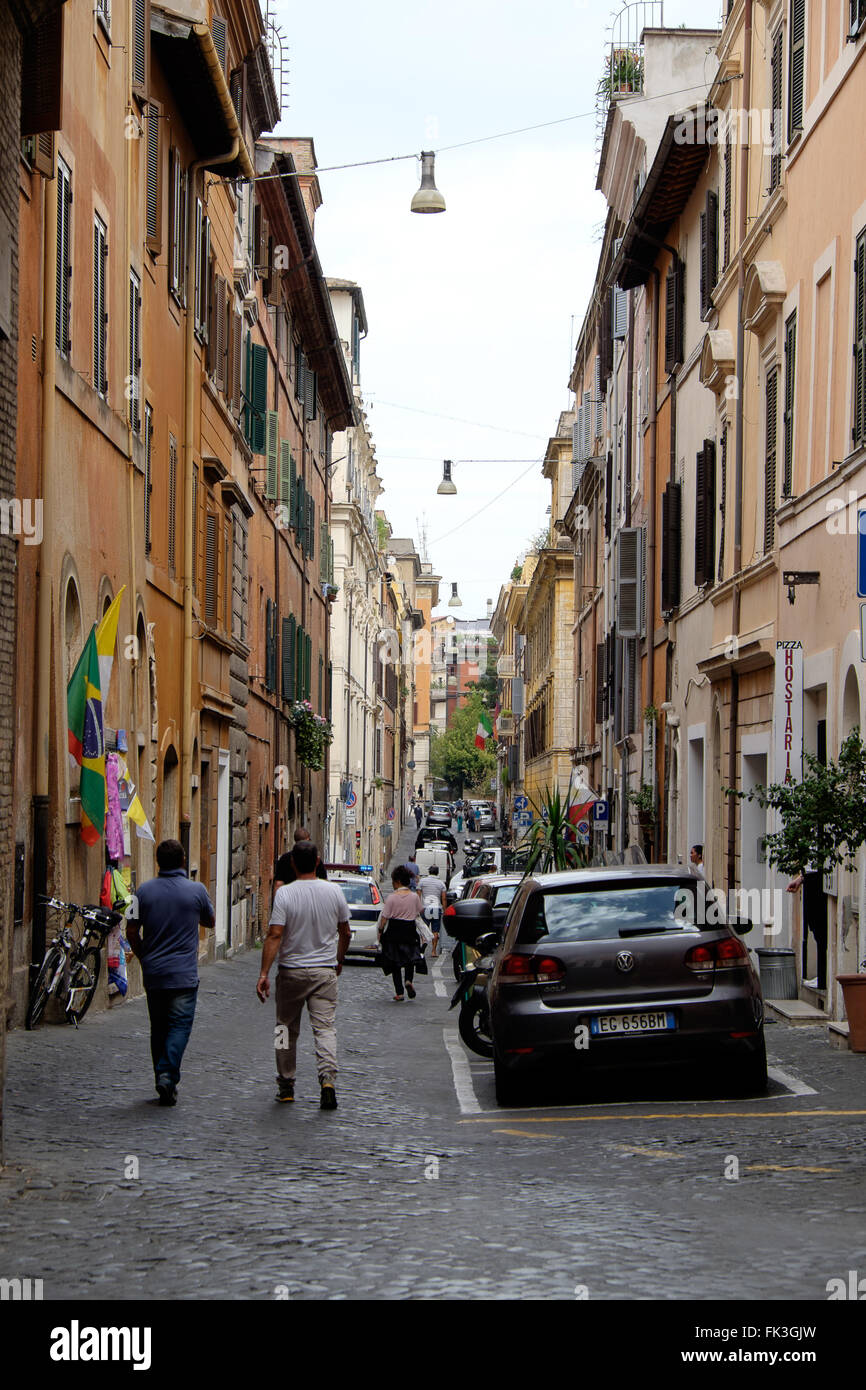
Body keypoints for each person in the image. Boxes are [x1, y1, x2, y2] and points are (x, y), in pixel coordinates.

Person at [257, 840, 351, 1109]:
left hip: (291, 973)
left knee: (283, 1029)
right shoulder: (334, 892)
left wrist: (264, 972)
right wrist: (339, 959)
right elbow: (345, 931)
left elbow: (275, 934)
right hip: (324, 972)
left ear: (293, 864)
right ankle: (328, 1079)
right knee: (325, 1029)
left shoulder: (285, 894)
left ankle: (286, 1084)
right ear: (318, 862)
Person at [126, 839, 215, 1107]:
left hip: (154, 973)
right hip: (183, 975)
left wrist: (144, 957)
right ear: (183, 861)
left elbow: (131, 930)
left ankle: (162, 1077)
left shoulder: (141, 891)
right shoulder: (196, 890)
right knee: (179, 1026)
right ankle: (167, 1074)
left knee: (159, 1027)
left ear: (158, 862)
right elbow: (210, 921)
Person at [377, 866, 425, 1002]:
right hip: (409, 930)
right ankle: (409, 980)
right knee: (410, 960)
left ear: (397, 882)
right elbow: (420, 911)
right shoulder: (414, 897)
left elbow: (384, 917)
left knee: (395, 963)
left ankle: (400, 993)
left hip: (394, 931)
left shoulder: (391, 898)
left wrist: (380, 931)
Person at [274, 826, 326, 894]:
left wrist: (277, 900)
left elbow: (278, 884)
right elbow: (324, 881)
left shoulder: (285, 858)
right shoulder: (314, 858)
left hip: (290, 896)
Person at [417, 865, 447, 958]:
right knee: (435, 930)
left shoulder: (422, 881)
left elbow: (418, 895)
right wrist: (445, 910)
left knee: (424, 929)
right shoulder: (441, 883)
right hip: (436, 908)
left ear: (429, 872)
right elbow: (444, 898)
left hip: (425, 908)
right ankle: (433, 951)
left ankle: (423, 949)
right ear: (437, 872)